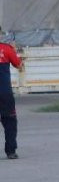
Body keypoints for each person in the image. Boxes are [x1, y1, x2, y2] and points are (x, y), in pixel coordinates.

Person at [0, 25, 24, 159]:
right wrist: (15, 51)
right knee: (10, 121)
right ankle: (10, 151)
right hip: (4, 93)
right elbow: (19, 66)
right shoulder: (7, 49)